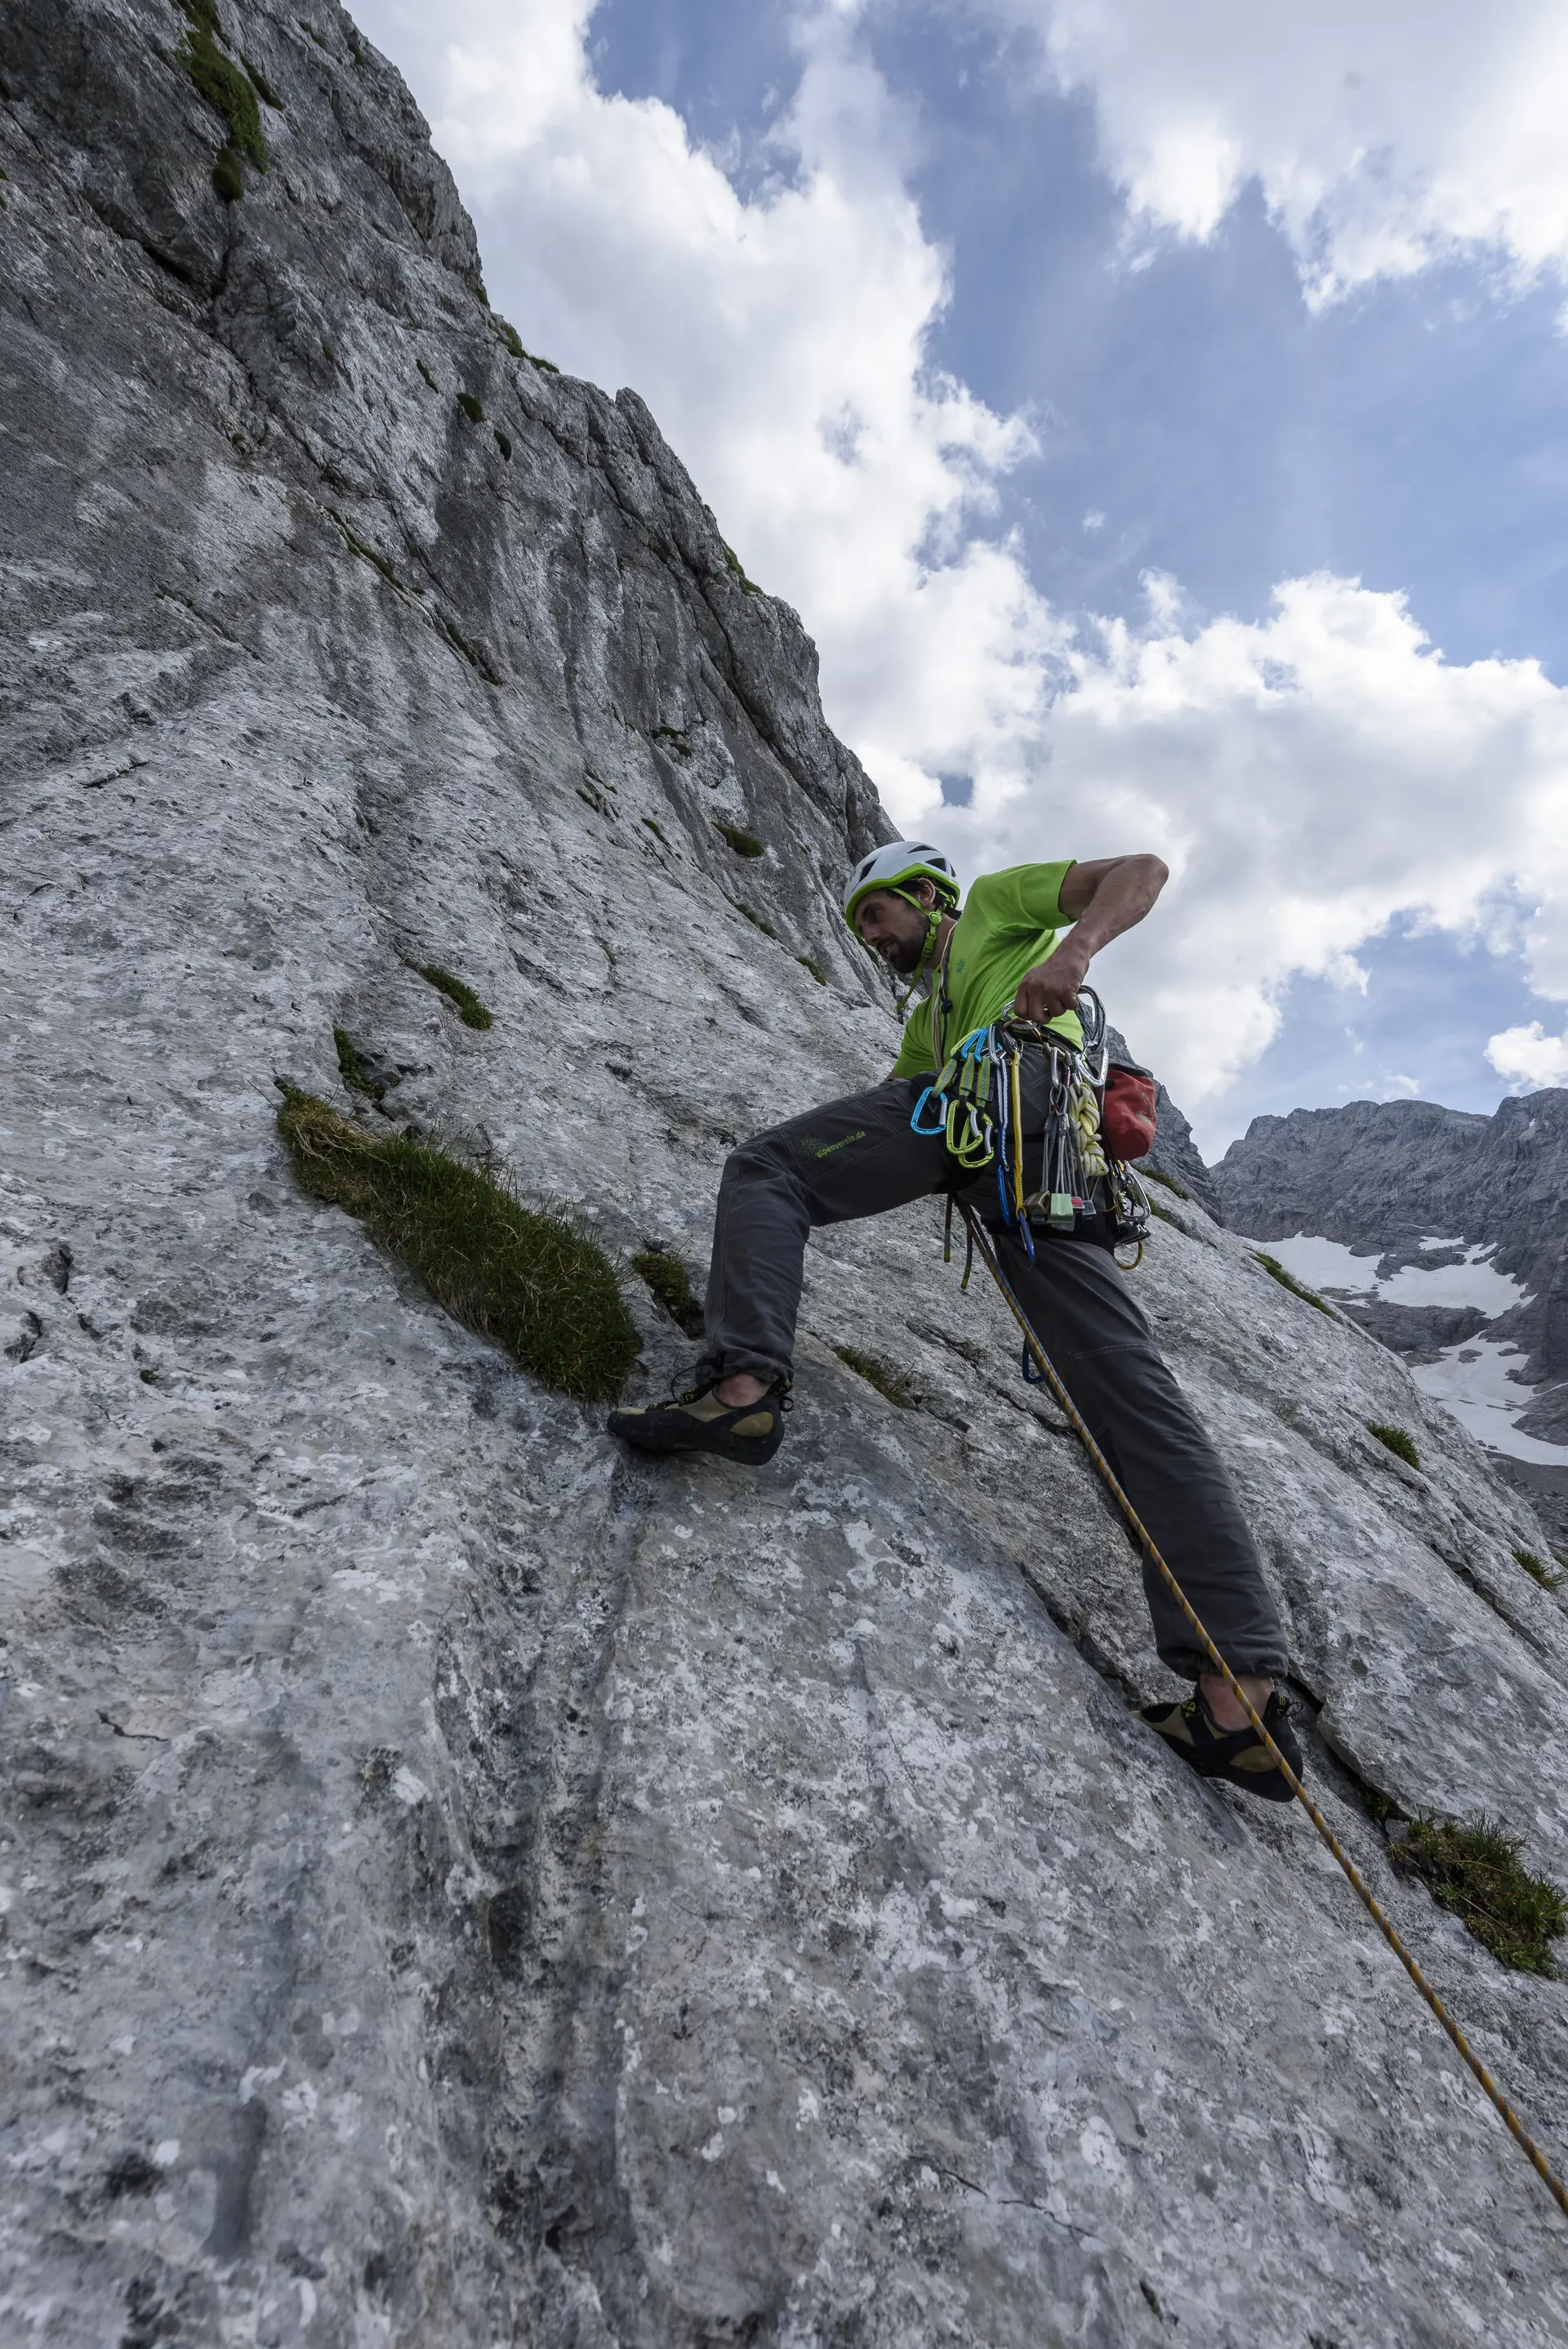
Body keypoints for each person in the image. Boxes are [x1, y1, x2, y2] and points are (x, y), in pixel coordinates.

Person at [608, 844, 1303, 1801]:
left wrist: (1076, 951)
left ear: (928, 895)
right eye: (860, 925)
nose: (870, 935)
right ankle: (1241, 1702)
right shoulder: (927, 1021)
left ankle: (740, 1389)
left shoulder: (992, 907)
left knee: (768, 1170)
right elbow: (900, 1105)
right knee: (1130, 1405)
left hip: (1006, 1120)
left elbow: (1142, 867)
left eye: (877, 913)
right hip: (1042, 1178)